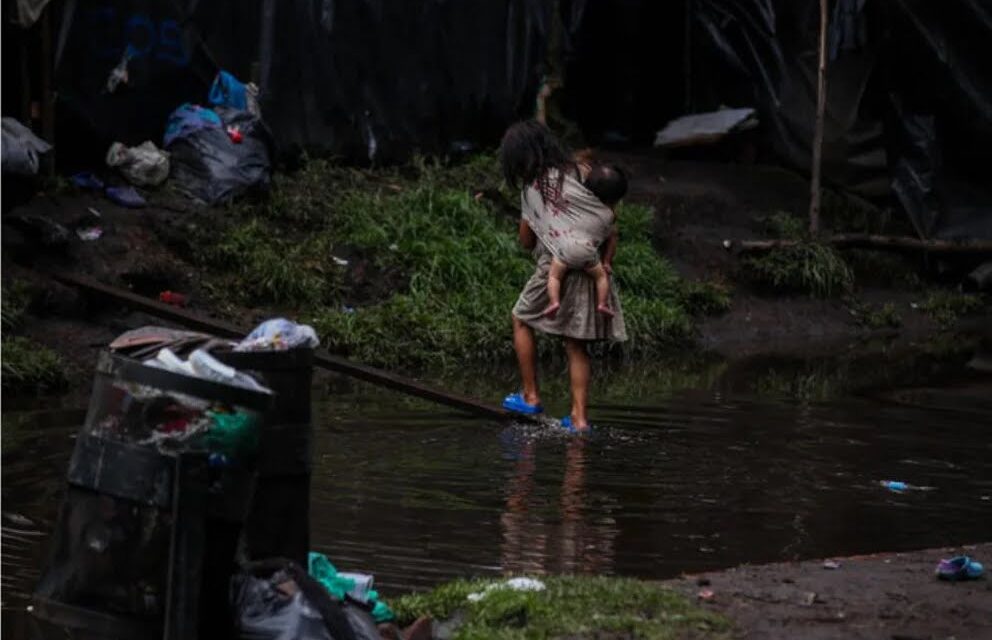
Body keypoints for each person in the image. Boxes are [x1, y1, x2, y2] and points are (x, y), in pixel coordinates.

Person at [499, 120, 627, 431]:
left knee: (520, 319)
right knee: (575, 345)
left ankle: (530, 396)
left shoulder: (533, 190)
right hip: (590, 268)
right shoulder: (582, 172)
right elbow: (610, 223)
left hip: (553, 268)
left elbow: (527, 242)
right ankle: (580, 419)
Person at [543, 163, 627, 319]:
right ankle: (602, 303)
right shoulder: (608, 216)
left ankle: (554, 301)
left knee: (554, 276)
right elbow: (612, 236)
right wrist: (607, 262)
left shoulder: (572, 204)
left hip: (565, 251)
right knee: (601, 277)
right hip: (588, 255)